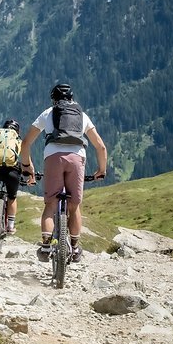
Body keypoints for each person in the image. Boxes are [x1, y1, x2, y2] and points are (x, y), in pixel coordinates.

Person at [19, 83, 108, 263]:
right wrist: (101, 170)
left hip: (53, 158)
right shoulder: (82, 116)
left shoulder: (48, 113)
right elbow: (101, 146)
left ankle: (45, 246)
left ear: (54, 99)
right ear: (72, 98)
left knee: (51, 204)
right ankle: (74, 248)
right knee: (74, 206)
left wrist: (27, 165)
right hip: (77, 158)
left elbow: (26, 142)